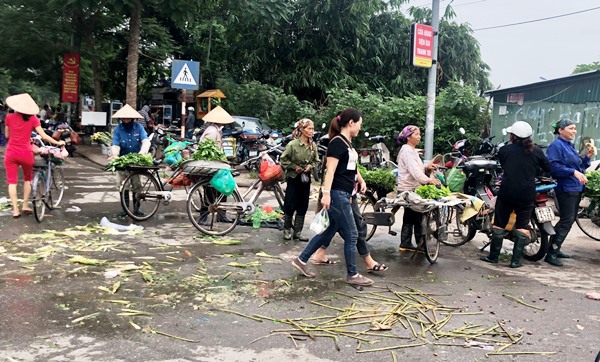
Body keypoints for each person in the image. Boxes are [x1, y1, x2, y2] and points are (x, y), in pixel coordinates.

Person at [291, 108, 374, 287]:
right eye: (359, 124)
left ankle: (301, 260)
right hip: (337, 194)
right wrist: (326, 194)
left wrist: (360, 180)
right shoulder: (337, 143)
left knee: (328, 231)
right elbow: (330, 171)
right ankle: (352, 274)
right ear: (351, 123)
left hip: (345, 193)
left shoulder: (347, 143)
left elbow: (350, 168)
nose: (360, 127)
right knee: (352, 234)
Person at [480, 121, 551, 268]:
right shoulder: (537, 151)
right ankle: (515, 261)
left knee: (499, 223)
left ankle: (493, 257)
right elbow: (547, 167)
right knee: (522, 225)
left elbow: (504, 166)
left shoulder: (505, 150)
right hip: (527, 193)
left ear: (513, 136)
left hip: (507, 191)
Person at [3, 93, 66, 218]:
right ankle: (25, 205)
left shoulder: (9, 117)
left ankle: (15, 210)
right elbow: (44, 136)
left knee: (12, 182)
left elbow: (7, 136)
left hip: (11, 153)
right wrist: (58, 142)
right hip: (26, 153)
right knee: (28, 179)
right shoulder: (33, 119)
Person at [545, 119, 593, 266]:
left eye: (575, 128)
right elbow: (553, 167)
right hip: (566, 189)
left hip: (576, 188)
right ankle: (551, 254)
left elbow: (579, 166)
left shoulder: (569, 146)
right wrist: (572, 172)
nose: (574, 131)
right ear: (561, 130)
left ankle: (554, 248)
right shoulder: (556, 146)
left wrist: (587, 158)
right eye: (571, 128)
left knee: (569, 220)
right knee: (567, 220)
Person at [396, 125, 441, 250]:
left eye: (419, 134)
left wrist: (427, 168)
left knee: (410, 215)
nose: (419, 137)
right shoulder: (407, 150)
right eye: (416, 134)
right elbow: (414, 171)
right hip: (408, 189)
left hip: (412, 188)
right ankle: (420, 244)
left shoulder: (411, 150)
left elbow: (418, 169)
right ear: (408, 137)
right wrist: (428, 180)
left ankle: (405, 243)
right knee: (418, 215)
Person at [280, 118, 320, 241]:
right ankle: (286, 230)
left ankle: (298, 232)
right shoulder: (292, 145)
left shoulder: (313, 146)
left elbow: (316, 161)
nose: (312, 131)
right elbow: (283, 159)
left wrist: (310, 166)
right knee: (290, 204)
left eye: (313, 128)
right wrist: (293, 167)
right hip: (293, 178)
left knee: (303, 205)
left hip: (305, 179)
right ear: (302, 129)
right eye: (309, 128)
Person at [109, 104, 150, 218]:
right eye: (124, 118)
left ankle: (137, 209)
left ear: (133, 118)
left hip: (136, 161)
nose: (126, 120)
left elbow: (145, 141)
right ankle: (125, 209)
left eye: (128, 118)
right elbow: (115, 144)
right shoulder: (118, 130)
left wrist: (142, 153)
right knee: (122, 186)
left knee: (137, 185)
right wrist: (115, 155)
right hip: (123, 161)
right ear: (121, 119)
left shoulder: (139, 128)